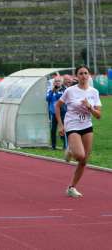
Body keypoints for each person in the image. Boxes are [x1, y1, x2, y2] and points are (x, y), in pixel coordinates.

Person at [56, 65, 101, 198]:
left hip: (87, 125)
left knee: (84, 161)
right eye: (80, 73)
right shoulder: (70, 91)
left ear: (89, 75)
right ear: (77, 76)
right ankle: (70, 150)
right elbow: (58, 106)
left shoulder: (94, 92)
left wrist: (90, 107)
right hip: (72, 125)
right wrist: (60, 125)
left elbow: (98, 115)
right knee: (80, 156)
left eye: (86, 73)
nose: (83, 75)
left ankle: (71, 187)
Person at [46, 76, 67, 150]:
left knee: (63, 129)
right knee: (53, 130)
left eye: (58, 81)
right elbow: (47, 98)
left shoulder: (64, 90)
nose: (57, 82)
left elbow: (60, 98)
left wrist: (56, 91)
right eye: (55, 81)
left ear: (61, 82)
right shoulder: (50, 90)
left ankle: (65, 145)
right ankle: (53, 146)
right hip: (53, 113)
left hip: (62, 113)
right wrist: (53, 91)